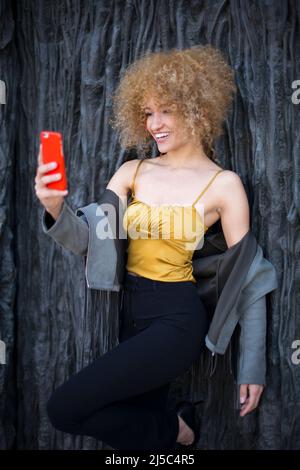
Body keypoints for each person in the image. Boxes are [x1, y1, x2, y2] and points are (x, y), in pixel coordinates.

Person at [35, 45, 265, 450]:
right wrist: (56, 208)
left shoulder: (224, 184)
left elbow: (249, 277)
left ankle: (176, 431)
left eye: (166, 111)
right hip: (130, 319)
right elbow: (89, 240)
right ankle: (174, 431)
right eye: (147, 112)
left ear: (197, 108)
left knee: (63, 409)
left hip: (177, 320)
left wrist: (253, 367)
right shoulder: (131, 172)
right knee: (129, 438)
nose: (154, 124)